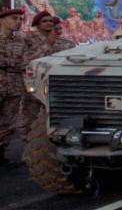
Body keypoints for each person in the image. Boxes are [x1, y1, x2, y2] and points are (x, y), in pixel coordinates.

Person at [21, 12, 75, 140]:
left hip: (57, 84)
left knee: (57, 116)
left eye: (51, 21)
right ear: (37, 25)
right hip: (34, 83)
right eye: (44, 21)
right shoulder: (28, 40)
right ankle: (27, 147)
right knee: (30, 116)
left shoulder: (66, 43)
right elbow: (27, 61)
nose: (49, 23)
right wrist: (48, 44)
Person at [0, 9, 28, 166]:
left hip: (13, 86)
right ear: (2, 20)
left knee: (7, 123)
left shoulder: (20, 41)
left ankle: (1, 154)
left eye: (20, 19)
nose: (18, 21)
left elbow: (24, 63)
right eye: (14, 18)